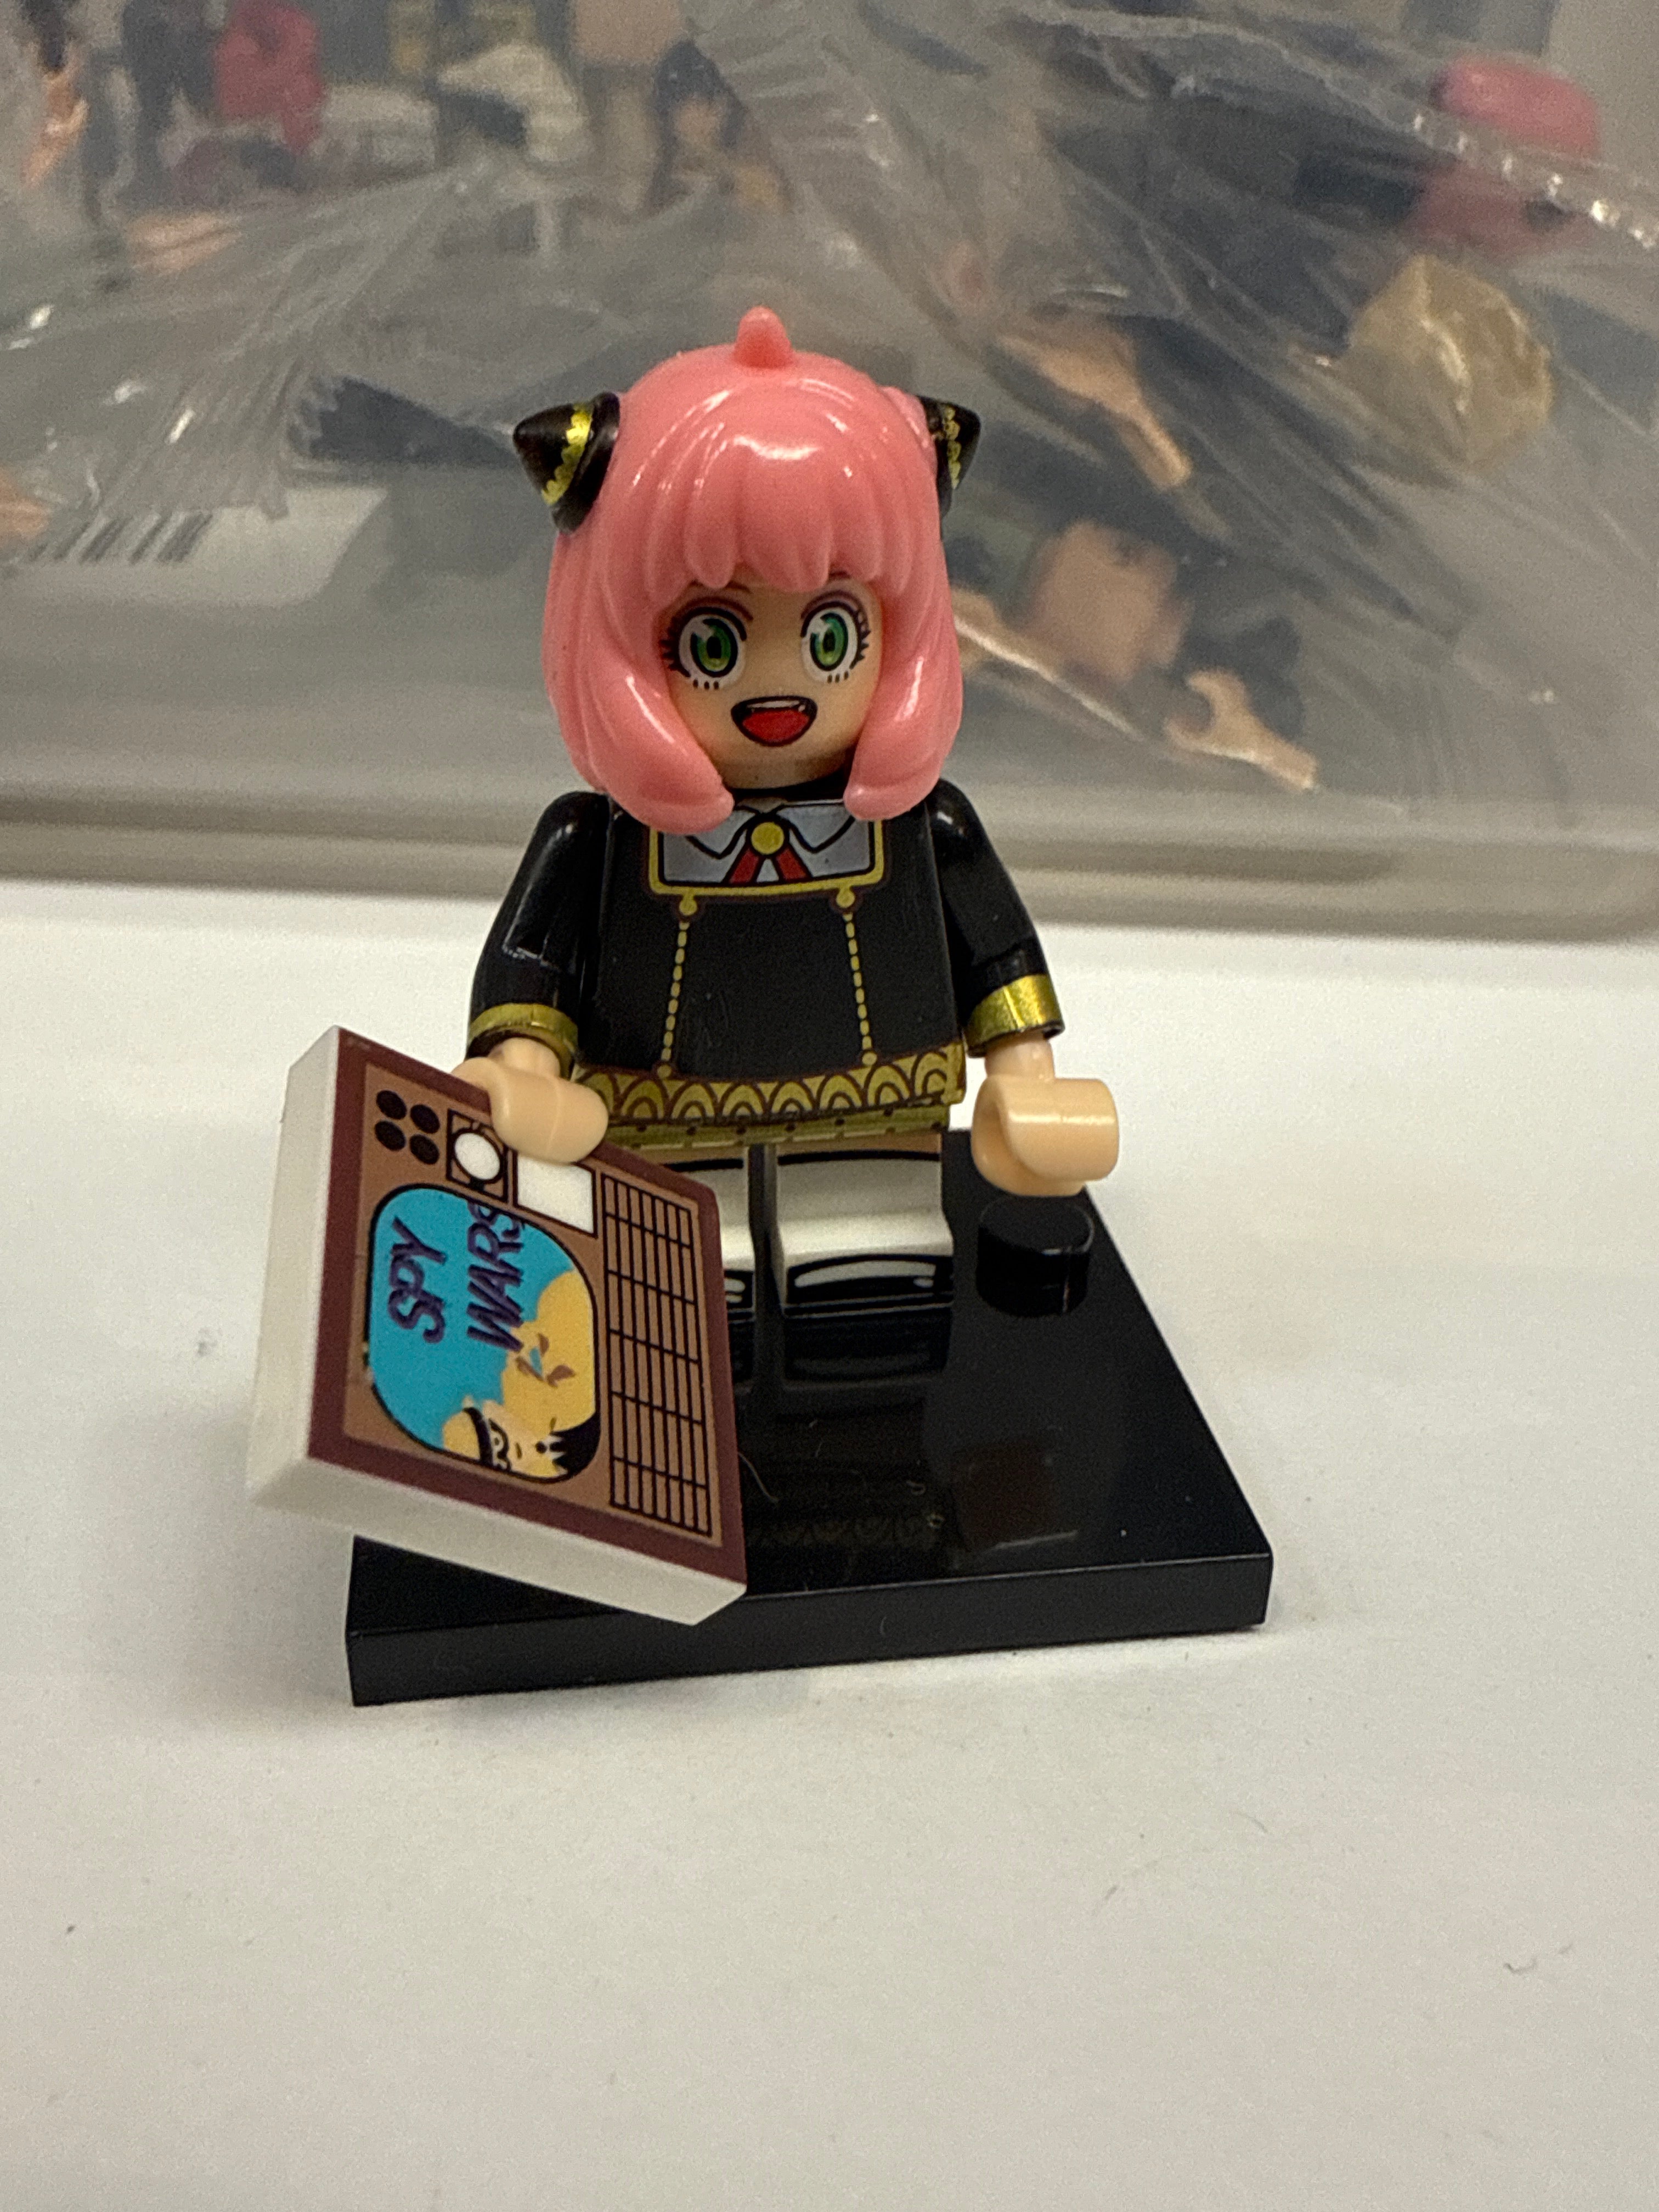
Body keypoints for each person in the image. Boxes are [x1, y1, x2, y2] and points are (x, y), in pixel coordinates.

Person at [458, 307, 1116, 1349]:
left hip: (878, 1093)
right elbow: (531, 967)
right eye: (712, 643)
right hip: (662, 1105)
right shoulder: (598, 841)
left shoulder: (926, 825)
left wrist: (1025, 1080)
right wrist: (520, 1069)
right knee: (684, 1269)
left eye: (831, 635)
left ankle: (866, 1363)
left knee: (869, 1249)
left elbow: (994, 952)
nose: (780, 691)